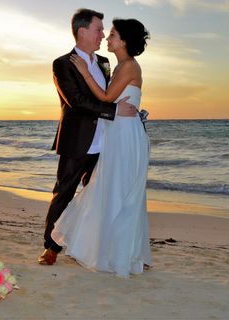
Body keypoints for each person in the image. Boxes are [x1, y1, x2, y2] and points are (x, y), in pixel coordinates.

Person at [51, 18, 152, 277]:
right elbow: (85, 101)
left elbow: (107, 98)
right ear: (83, 31)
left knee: (119, 191)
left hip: (125, 136)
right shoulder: (115, 66)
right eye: (102, 31)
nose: (106, 37)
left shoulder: (128, 66)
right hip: (110, 135)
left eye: (113, 34)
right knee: (105, 190)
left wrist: (85, 72)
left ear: (124, 41)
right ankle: (95, 248)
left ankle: (120, 254)